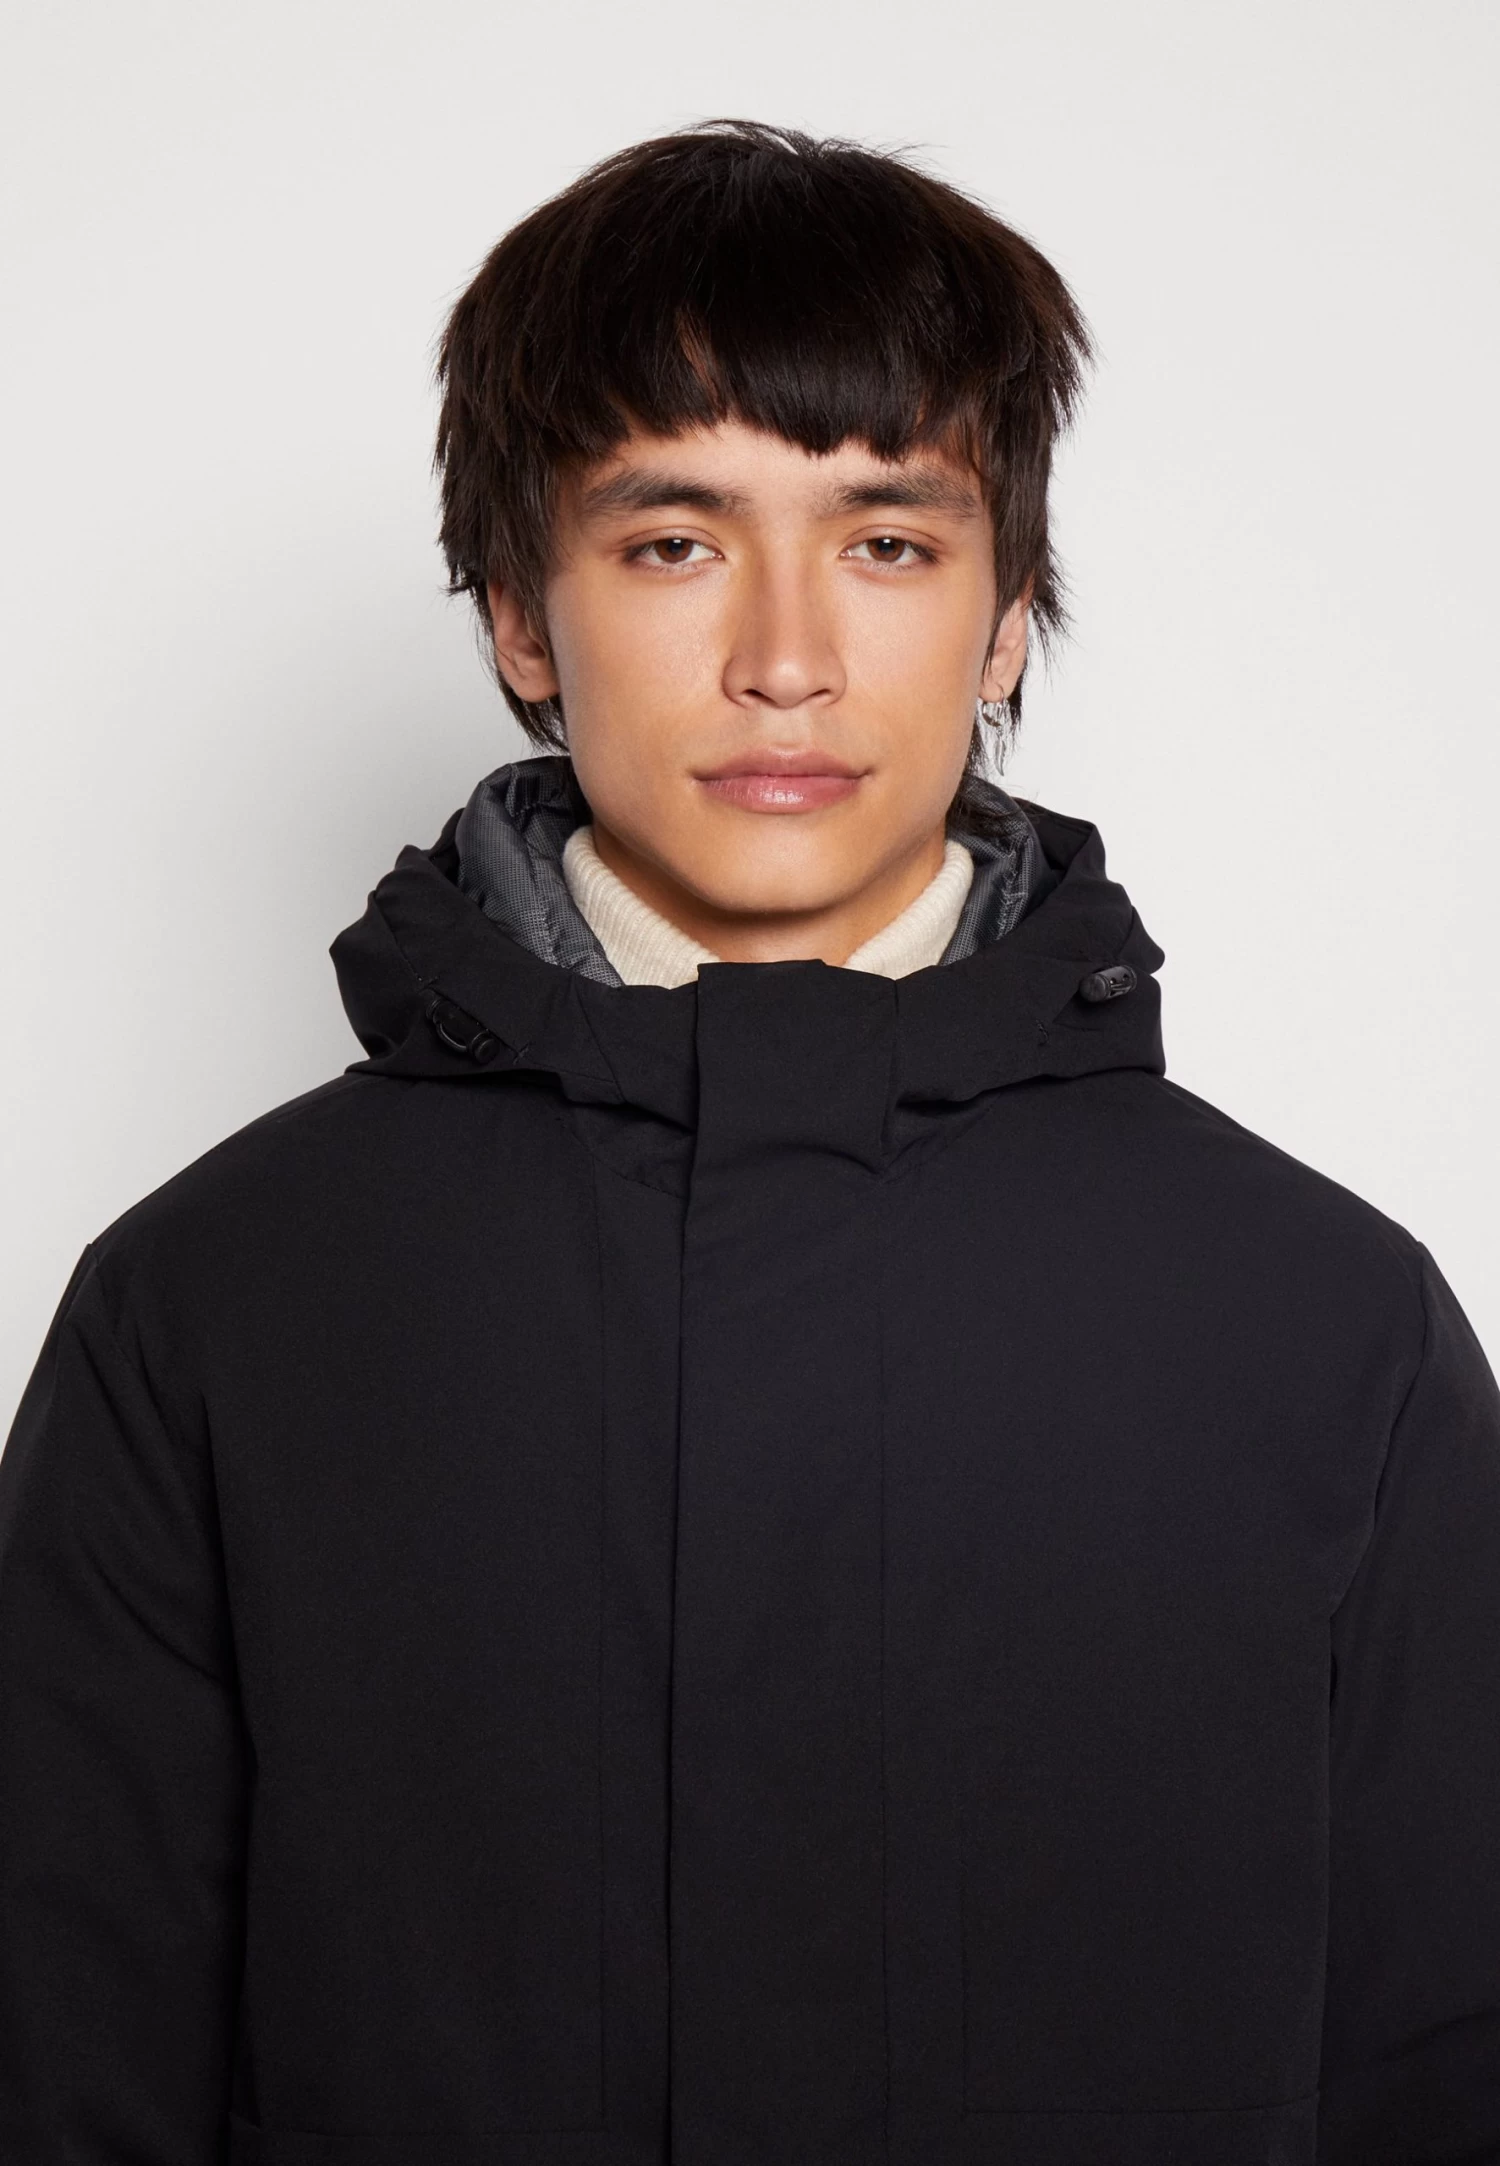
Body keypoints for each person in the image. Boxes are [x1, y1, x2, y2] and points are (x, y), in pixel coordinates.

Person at [1, 117, 1496, 2166]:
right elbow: (64, 2072)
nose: (785, 660)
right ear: (523, 617)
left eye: (887, 542)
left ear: (1004, 617)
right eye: (672, 543)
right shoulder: (212, 1309)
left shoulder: (1333, 1331)